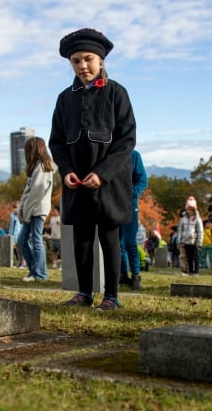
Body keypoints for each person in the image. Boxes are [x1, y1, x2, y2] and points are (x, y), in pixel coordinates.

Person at [49, 28, 137, 310]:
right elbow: (57, 142)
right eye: (76, 61)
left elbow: (126, 140)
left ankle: (111, 295)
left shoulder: (116, 93)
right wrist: (66, 171)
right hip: (76, 181)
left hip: (108, 181)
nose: (83, 66)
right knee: (82, 238)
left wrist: (103, 172)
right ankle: (83, 293)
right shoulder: (65, 99)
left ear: (100, 61)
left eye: (88, 59)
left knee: (109, 237)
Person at [17, 137, 56, 282]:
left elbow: (35, 193)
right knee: (22, 240)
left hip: (36, 210)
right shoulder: (38, 167)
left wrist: (25, 212)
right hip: (32, 209)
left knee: (36, 240)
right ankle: (34, 271)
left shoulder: (42, 168)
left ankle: (40, 274)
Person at [119, 150, 148, 289]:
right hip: (112, 204)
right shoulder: (108, 152)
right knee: (118, 244)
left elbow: (142, 179)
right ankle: (122, 275)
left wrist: (131, 193)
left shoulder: (134, 155)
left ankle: (136, 276)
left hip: (130, 205)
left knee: (130, 243)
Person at [178, 196, 203, 276]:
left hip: (194, 241)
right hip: (186, 241)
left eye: (192, 210)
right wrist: (179, 241)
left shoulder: (197, 219)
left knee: (196, 257)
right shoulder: (183, 219)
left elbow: (200, 231)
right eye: (188, 209)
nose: (190, 211)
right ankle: (190, 271)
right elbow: (180, 230)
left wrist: (199, 242)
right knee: (188, 257)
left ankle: (196, 272)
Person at [8, 202, 25, 268]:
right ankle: (20, 262)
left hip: (20, 233)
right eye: (14, 208)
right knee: (17, 249)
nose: (15, 209)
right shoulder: (12, 215)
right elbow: (11, 225)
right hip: (14, 233)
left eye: (16, 208)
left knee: (22, 249)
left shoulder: (22, 214)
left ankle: (24, 263)